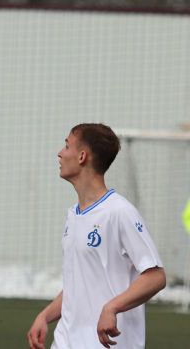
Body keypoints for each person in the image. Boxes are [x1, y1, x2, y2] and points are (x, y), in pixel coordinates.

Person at [27, 123, 166, 349]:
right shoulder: (73, 215)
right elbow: (79, 284)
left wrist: (112, 307)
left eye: (66, 146)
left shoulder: (119, 212)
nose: (60, 153)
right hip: (66, 342)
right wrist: (45, 316)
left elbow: (155, 277)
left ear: (82, 156)